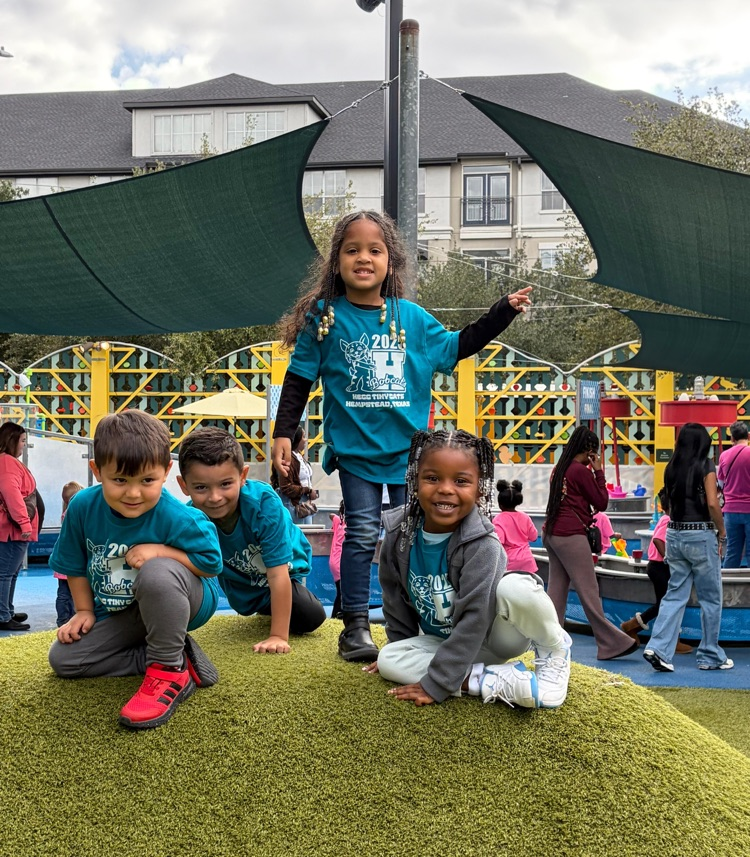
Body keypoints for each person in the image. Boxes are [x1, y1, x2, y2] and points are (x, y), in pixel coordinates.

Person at [272, 210, 531, 662]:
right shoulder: (326, 318)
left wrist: (501, 312)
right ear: (336, 262)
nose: (364, 258)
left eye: (375, 250)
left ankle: (408, 626)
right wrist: (283, 434)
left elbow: (460, 344)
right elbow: (298, 380)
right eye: (352, 250)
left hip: (410, 459)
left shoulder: (410, 318)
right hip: (356, 453)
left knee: (408, 538)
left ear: (391, 262)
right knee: (361, 533)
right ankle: (354, 625)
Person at [365, 429, 571, 709]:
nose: (446, 489)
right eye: (432, 478)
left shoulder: (483, 545)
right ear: (414, 482)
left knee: (516, 587)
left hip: (497, 638)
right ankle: (486, 680)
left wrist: (437, 684)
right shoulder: (399, 535)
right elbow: (394, 601)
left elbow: (475, 618)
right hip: (446, 642)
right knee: (389, 659)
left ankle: (554, 647)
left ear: (479, 490)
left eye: (461, 481)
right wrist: (402, 650)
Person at [48, 410, 224, 730]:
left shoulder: (176, 516)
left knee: (156, 573)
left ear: (166, 471)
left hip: (185, 598)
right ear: (97, 470)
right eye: (120, 480)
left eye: (147, 480)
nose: (133, 493)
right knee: (64, 660)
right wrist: (84, 611)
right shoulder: (82, 508)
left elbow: (211, 563)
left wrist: (161, 551)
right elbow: (74, 566)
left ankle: (168, 670)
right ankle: (168, 655)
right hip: (129, 613)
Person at [178, 427, 326, 653]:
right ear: (184, 486)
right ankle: (267, 605)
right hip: (244, 585)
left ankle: (278, 607)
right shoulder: (190, 519)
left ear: (243, 477)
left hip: (285, 571)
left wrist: (277, 635)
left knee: (312, 615)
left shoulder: (264, 505)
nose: (215, 497)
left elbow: (277, 573)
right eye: (201, 487)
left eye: (225, 484)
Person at [543, 425, 638, 660]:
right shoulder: (579, 471)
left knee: (556, 590)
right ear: (589, 451)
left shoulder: (559, 469)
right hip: (571, 535)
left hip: (552, 533)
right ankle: (610, 643)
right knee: (589, 591)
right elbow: (602, 501)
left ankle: (549, 642)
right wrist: (598, 471)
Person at [644, 423, 733, 672]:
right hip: (701, 534)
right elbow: (713, 505)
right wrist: (722, 533)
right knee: (710, 598)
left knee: (675, 595)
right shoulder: (706, 465)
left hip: (675, 534)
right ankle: (710, 655)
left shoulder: (670, 467)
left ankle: (658, 649)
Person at [619, 488, 692, 654]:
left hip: (658, 567)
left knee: (666, 603)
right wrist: (671, 559)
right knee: (667, 604)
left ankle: (638, 627)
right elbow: (659, 540)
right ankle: (633, 626)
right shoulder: (668, 520)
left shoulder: (665, 519)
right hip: (660, 567)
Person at [0, 422, 38, 632]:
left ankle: (7, 610)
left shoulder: (7, 462)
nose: (24, 445)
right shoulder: (7, 463)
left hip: (12, 529)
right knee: (5, 573)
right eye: (22, 441)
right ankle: (3, 615)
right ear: (11, 441)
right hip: (11, 530)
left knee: (10, 572)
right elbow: (12, 493)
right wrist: (24, 522)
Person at [717, 420, 750, 568]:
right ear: (748, 436)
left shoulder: (724, 456)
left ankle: (727, 588)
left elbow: (721, 485)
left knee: (732, 551)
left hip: (730, 511)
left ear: (732, 438)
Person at [271, 425, 318, 525]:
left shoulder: (299, 456)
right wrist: (308, 490)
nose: (306, 440)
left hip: (304, 505)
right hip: (293, 507)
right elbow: (286, 487)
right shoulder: (288, 459)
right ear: (296, 438)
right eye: (303, 436)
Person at [54, 480, 84, 627]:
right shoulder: (75, 514)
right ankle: (65, 619)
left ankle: (65, 618)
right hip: (71, 563)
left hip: (63, 563)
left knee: (64, 593)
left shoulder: (65, 514)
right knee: (68, 594)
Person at [491, 479, 539, 573]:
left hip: (509, 562)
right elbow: (534, 537)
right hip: (527, 562)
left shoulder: (498, 519)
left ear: (500, 504)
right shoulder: (525, 517)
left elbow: (499, 542)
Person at [328, 501, 345, 619]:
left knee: (340, 592)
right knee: (342, 593)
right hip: (341, 563)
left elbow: (331, 515)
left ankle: (337, 615)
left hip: (334, 561)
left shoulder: (338, 522)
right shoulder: (351, 526)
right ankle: (336, 616)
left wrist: (338, 516)